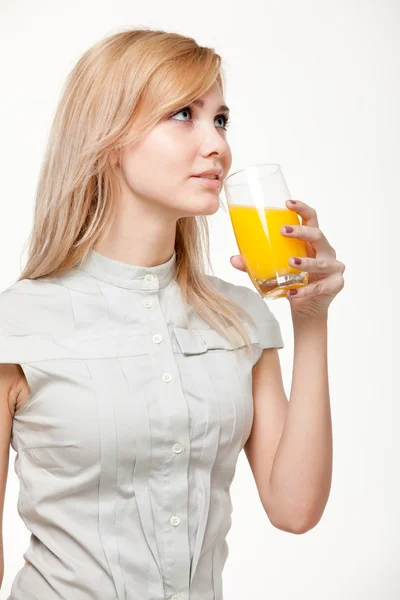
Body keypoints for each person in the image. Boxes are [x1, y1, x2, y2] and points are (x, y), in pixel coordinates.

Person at [0, 27, 345, 600]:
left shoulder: (237, 317)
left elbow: (295, 508)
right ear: (108, 138)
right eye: (183, 114)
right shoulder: (17, 325)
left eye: (221, 119)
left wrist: (311, 317)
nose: (217, 145)